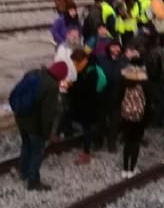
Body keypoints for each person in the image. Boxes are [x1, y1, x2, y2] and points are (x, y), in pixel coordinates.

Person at [13, 61, 68, 190]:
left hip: (21, 118)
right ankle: (33, 181)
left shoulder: (35, 73)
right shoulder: (52, 86)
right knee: (37, 151)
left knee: (26, 145)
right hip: (34, 124)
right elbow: (47, 114)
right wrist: (47, 133)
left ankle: (23, 172)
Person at [119, 55, 148, 178]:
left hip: (126, 117)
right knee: (135, 143)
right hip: (138, 119)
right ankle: (132, 169)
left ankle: (125, 169)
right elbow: (147, 102)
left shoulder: (124, 83)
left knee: (127, 143)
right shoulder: (142, 85)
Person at [69, 49, 99, 164]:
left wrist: (71, 87)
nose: (74, 65)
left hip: (88, 106)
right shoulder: (84, 68)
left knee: (87, 129)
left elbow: (85, 90)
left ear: (82, 61)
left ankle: (86, 153)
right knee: (86, 127)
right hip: (84, 104)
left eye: (75, 62)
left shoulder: (91, 72)